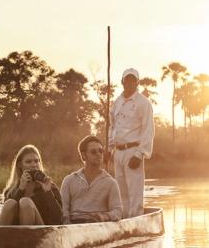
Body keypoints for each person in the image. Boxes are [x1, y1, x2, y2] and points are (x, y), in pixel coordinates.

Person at [109, 67, 155, 218]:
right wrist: (109, 149)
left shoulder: (143, 103)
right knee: (121, 192)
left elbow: (148, 129)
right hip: (118, 151)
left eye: (133, 80)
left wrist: (140, 153)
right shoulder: (117, 102)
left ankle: (136, 222)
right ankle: (124, 223)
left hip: (133, 151)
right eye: (127, 80)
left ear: (137, 83)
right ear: (122, 82)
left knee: (134, 192)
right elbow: (112, 126)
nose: (129, 83)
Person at [60, 135, 122, 224]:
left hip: (96, 226)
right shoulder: (69, 180)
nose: (99, 154)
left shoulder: (111, 183)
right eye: (93, 152)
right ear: (84, 155)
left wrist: (103, 216)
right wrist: (67, 224)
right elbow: (63, 209)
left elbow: (117, 211)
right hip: (73, 225)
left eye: (101, 151)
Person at [0, 145, 63, 225]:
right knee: (10, 203)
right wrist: (21, 189)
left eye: (36, 161)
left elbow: (58, 219)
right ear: (20, 164)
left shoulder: (50, 186)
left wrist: (48, 193)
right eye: (28, 162)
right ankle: (0, 236)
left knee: (25, 202)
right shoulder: (11, 190)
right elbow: (7, 215)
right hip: (14, 232)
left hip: (41, 231)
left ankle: (26, 236)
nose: (34, 165)